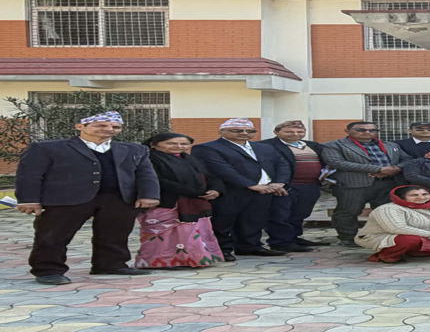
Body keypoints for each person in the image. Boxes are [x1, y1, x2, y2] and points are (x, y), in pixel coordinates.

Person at [17, 111, 160, 284]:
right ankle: (48, 270)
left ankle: (110, 264)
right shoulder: (47, 148)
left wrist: (149, 195)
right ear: (80, 126)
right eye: (101, 125)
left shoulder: (134, 149)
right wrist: (29, 199)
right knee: (53, 236)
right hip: (65, 199)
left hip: (118, 198)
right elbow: (29, 175)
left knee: (115, 234)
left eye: (115, 127)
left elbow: (146, 174)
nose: (109, 129)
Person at [195, 118, 292, 257]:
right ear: (221, 131)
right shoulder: (207, 148)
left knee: (254, 220)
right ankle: (222, 250)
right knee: (223, 221)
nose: (244, 133)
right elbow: (222, 169)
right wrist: (251, 185)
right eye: (237, 130)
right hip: (231, 190)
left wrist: (279, 183)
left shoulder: (264, 147)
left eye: (250, 131)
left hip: (264, 190)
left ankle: (250, 246)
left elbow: (282, 164)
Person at [136, 133, 226, 269]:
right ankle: (159, 262)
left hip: (193, 202)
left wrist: (215, 189)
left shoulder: (190, 159)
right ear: (154, 144)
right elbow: (158, 180)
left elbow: (208, 176)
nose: (178, 146)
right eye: (171, 143)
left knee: (188, 233)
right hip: (165, 203)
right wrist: (195, 191)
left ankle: (188, 260)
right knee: (162, 234)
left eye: (184, 144)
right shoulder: (148, 159)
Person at [320, 121, 410, 247]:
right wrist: (379, 169)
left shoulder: (390, 145)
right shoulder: (333, 145)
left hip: (387, 183)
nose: (367, 132)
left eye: (372, 130)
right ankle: (348, 238)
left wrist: (396, 168)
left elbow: (407, 159)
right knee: (348, 211)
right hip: (353, 185)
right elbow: (337, 162)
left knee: (387, 211)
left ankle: (383, 236)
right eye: (361, 130)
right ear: (347, 131)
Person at [260, 120, 330, 250]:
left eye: (300, 131)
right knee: (280, 215)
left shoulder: (312, 145)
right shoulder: (265, 145)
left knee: (300, 213)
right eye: (289, 131)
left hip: (310, 185)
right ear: (276, 132)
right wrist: (272, 184)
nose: (295, 134)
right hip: (284, 186)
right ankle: (280, 242)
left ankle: (294, 237)